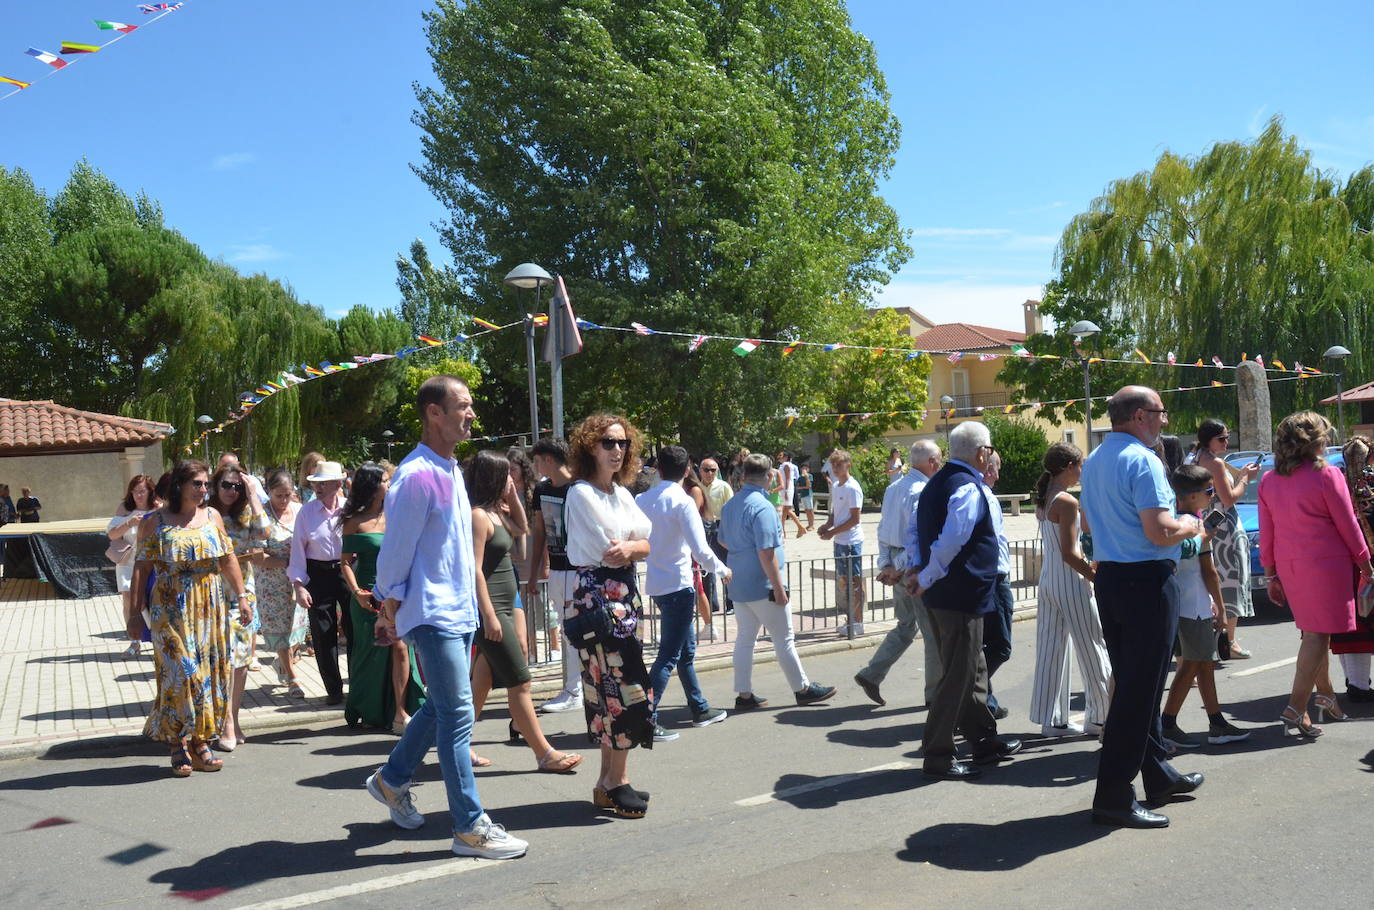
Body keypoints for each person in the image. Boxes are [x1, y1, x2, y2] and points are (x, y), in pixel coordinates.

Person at [365, 375, 528, 860]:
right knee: (458, 713)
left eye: (471, 405)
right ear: (433, 413)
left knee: (441, 705)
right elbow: (395, 554)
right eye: (462, 406)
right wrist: (387, 605)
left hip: (456, 610)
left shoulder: (450, 469)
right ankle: (470, 826)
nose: (471, 414)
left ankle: (391, 780)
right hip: (431, 612)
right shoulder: (417, 476)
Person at [1079, 386, 1204, 828]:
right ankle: (1113, 796)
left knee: (1140, 687)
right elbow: (1159, 530)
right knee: (1137, 693)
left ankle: (1157, 774)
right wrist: (1190, 524)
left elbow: (1090, 523)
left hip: (1113, 578)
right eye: (1159, 412)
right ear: (1138, 416)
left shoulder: (1094, 460)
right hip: (1145, 582)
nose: (1163, 420)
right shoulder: (1142, 459)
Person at [904, 422, 1021, 781]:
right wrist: (924, 575)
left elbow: (915, 530)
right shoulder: (967, 488)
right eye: (989, 450)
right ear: (982, 452)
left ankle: (983, 740)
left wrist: (916, 568)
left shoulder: (936, 483)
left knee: (976, 669)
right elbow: (952, 540)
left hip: (954, 593)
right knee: (958, 675)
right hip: (959, 594)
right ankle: (938, 753)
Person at [129, 460, 252, 777]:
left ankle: (199, 742)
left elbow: (227, 559)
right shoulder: (154, 521)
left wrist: (242, 597)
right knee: (180, 675)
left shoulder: (212, 516)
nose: (204, 490)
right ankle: (176, 743)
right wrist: (133, 614)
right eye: (197, 483)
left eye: (205, 484)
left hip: (209, 609)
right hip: (169, 611)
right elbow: (141, 570)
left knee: (207, 675)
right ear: (179, 486)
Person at [561, 414, 656, 818]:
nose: (617, 450)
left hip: (621, 596)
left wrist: (636, 547)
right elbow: (609, 548)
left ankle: (608, 781)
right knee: (617, 689)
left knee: (615, 686)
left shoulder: (620, 492)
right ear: (589, 448)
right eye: (607, 443)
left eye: (622, 444)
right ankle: (615, 783)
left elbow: (646, 540)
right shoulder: (581, 493)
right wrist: (637, 546)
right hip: (598, 599)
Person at [1259, 410, 1374, 739]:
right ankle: (1296, 707)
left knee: (1314, 631)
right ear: (1315, 441)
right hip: (1326, 566)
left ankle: (1326, 696)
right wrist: (1365, 562)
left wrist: (1270, 573)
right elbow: (1348, 523)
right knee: (1317, 635)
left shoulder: (1269, 479)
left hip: (1291, 566)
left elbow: (1268, 532)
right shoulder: (1326, 474)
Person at [468, 450, 582, 773]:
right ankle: (544, 753)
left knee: (483, 681)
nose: (511, 479)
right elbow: (474, 570)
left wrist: (513, 496)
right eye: (504, 474)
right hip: (493, 608)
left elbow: (522, 528)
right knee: (521, 681)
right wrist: (488, 615)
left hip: (508, 602)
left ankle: (457, 745)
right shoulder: (478, 516)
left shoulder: (497, 510)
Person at [723, 453, 835, 712]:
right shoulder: (762, 507)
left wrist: (742, 553)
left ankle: (744, 693)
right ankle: (803, 689)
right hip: (762, 583)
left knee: (745, 638)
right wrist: (777, 586)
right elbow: (766, 552)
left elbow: (723, 540)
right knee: (784, 638)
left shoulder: (732, 504)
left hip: (739, 582)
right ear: (770, 475)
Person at [637, 446, 732, 741]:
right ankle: (646, 718)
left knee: (685, 652)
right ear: (688, 468)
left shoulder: (642, 499)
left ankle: (699, 707)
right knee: (668, 656)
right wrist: (723, 571)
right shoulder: (682, 501)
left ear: (660, 469)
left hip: (657, 583)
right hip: (678, 584)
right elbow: (701, 549)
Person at [1159, 464, 1251, 747]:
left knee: (1204, 664)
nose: (1212, 496)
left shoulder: (1173, 521)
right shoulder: (1195, 526)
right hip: (1195, 604)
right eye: (1208, 491)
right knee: (1193, 665)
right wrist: (1222, 608)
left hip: (1182, 602)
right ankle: (1168, 723)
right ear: (1190, 496)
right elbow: (1209, 571)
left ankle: (1216, 721)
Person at [1028, 443, 1110, 738]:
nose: (1081, 471)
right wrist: (1094, 576)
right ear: (1068, 467)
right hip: (1070, 582)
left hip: (1048, 580)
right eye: (1079, 466)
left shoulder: (1045, 497)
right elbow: (1070, 553)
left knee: (1051, 650)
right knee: (1093, 647)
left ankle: (1052, 719)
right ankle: (1100, 717)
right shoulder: (1067, 502)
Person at [340, 462, 425, 734]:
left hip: (398, 593)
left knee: (400, 648)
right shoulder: (354, 522)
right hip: (367, 596)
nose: (390, 485)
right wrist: (356, 593)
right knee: (372, 655)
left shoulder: (398, 515)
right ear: (373, 485)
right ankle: (371, 709)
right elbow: (344, 563)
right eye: (385, 480)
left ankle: (400, 711)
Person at [855, 441, 942, 707]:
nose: (939, 465)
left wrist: (888, 565)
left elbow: (884, 530)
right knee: (932, 634)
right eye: (938, 459)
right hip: (913, 566)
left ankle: (872, 674)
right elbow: (916, 537)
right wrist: (898, 567)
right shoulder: (922, 491)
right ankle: (935, 696)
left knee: (906, 625)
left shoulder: (894, 488)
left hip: (898, 561)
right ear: (931, 462)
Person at [207, 463, 270, 750]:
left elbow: (265, 532)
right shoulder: (206, 513)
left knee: (241, 658)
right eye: (227, 485)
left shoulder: (246, 512)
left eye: (237, 486)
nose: (232, 491)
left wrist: (254, 494)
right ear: (215, 485)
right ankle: (221, 720)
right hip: (210, 592)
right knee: (218, 658)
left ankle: (232, 718)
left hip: (242, 593)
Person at [528, 437, 584, 714]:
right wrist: (536, 569)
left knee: (578, 630)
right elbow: (539, 531)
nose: (534, 466)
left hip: (581, 569)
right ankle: (574, 688)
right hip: (558, 570)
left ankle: (577, 690)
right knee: (566, 630)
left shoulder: (580, 488)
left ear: (549, 460)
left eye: (537, 460)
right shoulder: (541, 490)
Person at [1195, 419, 1260, 658]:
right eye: (1221, 438)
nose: (1226, 442)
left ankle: (1216, 641)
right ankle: (1229, 642)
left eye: (1227, 437)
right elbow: (1229, 498)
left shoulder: (1196, 458)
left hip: (1208, 525)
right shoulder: (1216, 463)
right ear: (1208, 439)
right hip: (1225, 527)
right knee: (1231, 582)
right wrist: (1245, 478)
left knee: (1213, 583)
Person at [288, 460, 349, 705]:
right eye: (316, 484)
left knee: (354, 629)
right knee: (323, 634)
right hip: (318, 573)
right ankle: (334, 690)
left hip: (346, 572)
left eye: (324, 483)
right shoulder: (307, 512)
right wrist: (299, 585)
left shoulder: (349, 508)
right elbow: (297, 551)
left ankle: (359, 684)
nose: (318, 488)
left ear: (338, 484)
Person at [256, 469, 308, 698]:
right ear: (269, 493)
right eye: (279, 495)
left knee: (297, 629)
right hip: (271, 582)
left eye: (288, 494)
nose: (284, 500)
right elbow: (257, 556)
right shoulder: (261, 516)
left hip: (298, 581)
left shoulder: (299, 511)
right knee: (280, 630)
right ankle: (292, 678)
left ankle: (283, 663)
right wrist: (287, 561)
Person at [1335, 436, 1374, 702]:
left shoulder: (1335, 483)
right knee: (1365, 622)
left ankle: (1355, 681)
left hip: (1338, 563)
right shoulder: (1370, 485)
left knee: (1348, 623)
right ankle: (1359, 685)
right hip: (1366, 562)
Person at [979, 450, 1015, 720]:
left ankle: (986, 700)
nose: (999, 474)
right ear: (987, 468)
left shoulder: (982, 495)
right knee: (1001, 646)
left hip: (993, 576)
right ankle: (972, 690)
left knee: (986, 644)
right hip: (995, 577)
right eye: (997, 468)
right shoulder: (984, 496)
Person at [108, 475, 157, 659]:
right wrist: (128, 522)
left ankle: (157, 638)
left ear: (150, 491)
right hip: (128, 561)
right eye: (134, 491)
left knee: (152, 599)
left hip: (152, 562)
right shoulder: (125, 508)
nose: (137, 495)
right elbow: (112, 535)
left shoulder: (158, 508)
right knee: (129, 598)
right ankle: (134, 641)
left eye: (142, 491)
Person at [817, 449, 865, 635]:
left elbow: (855, 519)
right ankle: (850, 619)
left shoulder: (853, 487)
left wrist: (832, 532)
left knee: (854, 582)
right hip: (839, 540)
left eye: (839, 464)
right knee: (844, 581)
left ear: (848, 465)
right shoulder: (836, 485)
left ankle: (858, 622)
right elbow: (836, 512)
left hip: (851, 541)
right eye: (833, 465)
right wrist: (827, 525)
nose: (835, 468)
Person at [679, 466, 718, 641]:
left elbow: (690, 516)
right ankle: (708, 626)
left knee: (698, 586)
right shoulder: (685, 490)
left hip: (693, 546)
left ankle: (710, 626)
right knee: (697, 587)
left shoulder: (694, 490)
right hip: (687, 545)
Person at [699, 456, 734, 615]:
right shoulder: (696, 487)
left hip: (720, 526)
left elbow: (731, 509)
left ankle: (731, 603)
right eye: (706, 469)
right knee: (706, 566)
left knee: (725, 565)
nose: (709, 473)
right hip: (702, 527)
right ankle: (711, 604)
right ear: (700, 470)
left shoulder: (724, 487)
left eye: (713, 470)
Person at [776, 451, 807, 538]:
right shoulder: (786, 465)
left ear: (786, 457)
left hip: (786, 489)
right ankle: (783, 530)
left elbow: (788, 478)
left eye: (781, 456)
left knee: (786, 510)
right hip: (787, 488)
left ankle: (799, 527)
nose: (779, 457)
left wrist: (785, 491)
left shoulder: (786, 465)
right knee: (785, 510)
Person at [795, 461, 816, 531]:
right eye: (803, 468)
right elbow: (797, 487)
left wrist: (806, 477)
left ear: (808, 469)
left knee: (810, 510)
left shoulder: (810, 476)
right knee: (806, 510)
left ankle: (812, 525)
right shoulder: (800, 477)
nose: (804, 470)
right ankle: (809, 524)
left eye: (806, 468)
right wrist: (801, 487)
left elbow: (809, 486)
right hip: (803, 495)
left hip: (808, 495)